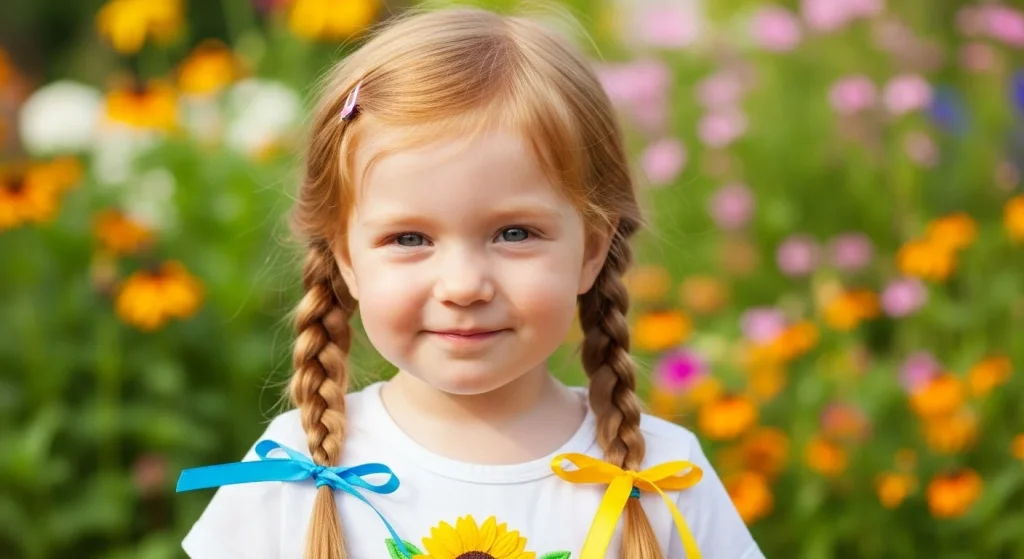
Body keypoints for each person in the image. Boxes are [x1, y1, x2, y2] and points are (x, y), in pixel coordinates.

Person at [177, 6, 764, 559]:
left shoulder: (665, 476)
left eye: (513, 233)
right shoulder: (292, 472)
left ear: (591, 247)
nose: (463, 286)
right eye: (409, 239)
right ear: (345, 258)